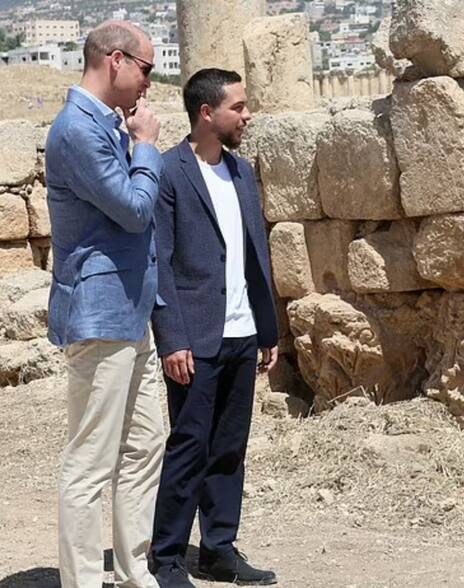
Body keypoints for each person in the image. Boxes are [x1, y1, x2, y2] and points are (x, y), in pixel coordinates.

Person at [149, 68, 280, 588]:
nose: (247, 115)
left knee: (229, 448)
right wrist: (172, 338)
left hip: (242, 333)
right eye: (238, 107)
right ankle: (167, 557)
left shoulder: (242, 172)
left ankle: (219, 550)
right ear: (207, 113)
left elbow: (254, 254)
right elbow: (159, 262)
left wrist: (267, 329)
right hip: (194, 338)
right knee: (189, 447)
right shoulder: (168, 172)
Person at [46, 20, 163, 588]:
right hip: (100, 312)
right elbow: (135, 210)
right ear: (116, 60)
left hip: (129, 310)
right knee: (91, 460)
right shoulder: (77, 130)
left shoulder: (103, 125)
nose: (150, 82)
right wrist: (147, 146)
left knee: (145, 444)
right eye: (147, 69)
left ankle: (134, 571)